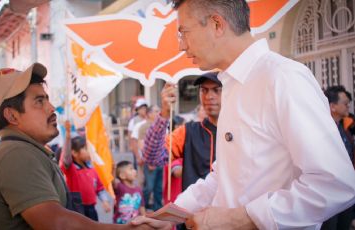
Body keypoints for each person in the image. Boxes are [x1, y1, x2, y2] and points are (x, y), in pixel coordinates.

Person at [133, 0, 355, 229]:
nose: (181, 46)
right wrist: (172, 216)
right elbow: (224, 177)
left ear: (217, 24)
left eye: (184, 32)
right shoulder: (232, 84)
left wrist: (242, 218)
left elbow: (335, 184)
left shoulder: (282, 77)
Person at [0, 63, 154, 229]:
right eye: (39, 101)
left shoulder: (25, 150)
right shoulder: (15, 155)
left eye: (47, 99)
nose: (51, 107)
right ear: (12, 116)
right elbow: (57, 224)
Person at [143, 71, 221, 192]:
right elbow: (153, 158)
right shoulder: (188, 131)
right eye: (204, 90)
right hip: (193, 209)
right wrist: (164, 113)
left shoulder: (243, 130)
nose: (209, 96)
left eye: (216, 90)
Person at [59, 126, 111, 221]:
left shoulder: (92, 169)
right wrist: (67, 138)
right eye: (86, 149)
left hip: (91, 209)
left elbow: (99, 188)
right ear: (74, 153)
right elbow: (66, 159)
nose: (90, 151)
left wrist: (105, 201)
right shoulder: (71, 169)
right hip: (77, 209)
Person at [323, 85, 355, 230]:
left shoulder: (343, 126)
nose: (348, 106)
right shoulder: (324, 129)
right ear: (333, 106)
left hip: (345, 192)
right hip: (329, 193)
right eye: (345, 103)